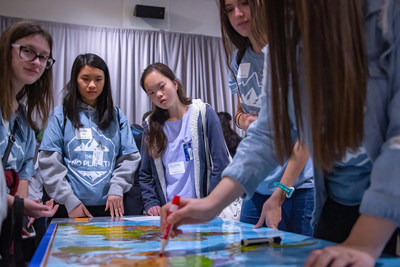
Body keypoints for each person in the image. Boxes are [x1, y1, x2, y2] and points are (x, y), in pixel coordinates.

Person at [161, 0, 400, 266]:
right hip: (334, 196)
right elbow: (270, 132)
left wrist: (365, 242)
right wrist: (213, 203)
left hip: (383, 200)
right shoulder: (284, 41)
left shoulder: (387, 15)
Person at [220, 0, 314, 234]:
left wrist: (281, 193)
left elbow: (306, 133)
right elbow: (242, 112)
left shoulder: (292, 53)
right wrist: (246, 121)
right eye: (229, 9)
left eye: (244, 4)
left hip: (297, 185)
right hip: (256, 183)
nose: (238, 14)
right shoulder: (239, 59)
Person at [37, 53, 141, 218]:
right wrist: (69, 199)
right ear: (75, 80)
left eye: (98, 79)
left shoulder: (117, 115)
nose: (92, 85)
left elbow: (130, 157)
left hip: (111, 207)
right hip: (70, 208)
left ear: (105, 81)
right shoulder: (60, 115)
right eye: (85, 78)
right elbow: (49, 162)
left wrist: (117, 188)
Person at [0, 20, 59, 265]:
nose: (36, 62)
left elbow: (23, 174)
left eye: (44, 57)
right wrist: (18, 205)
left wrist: (22, 212)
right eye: (28, 51)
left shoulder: (24, 120)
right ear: (6, 50)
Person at [139, 62, 230, 216]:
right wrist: (151, 202)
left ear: (175, 84)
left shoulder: (203, 114)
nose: (159, 95)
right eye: (151, 92)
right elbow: (145, 173)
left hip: (203, 210)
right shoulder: (150, 125)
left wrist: (210, 203)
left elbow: (220, 163)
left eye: (162, 87)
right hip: (170, 212)